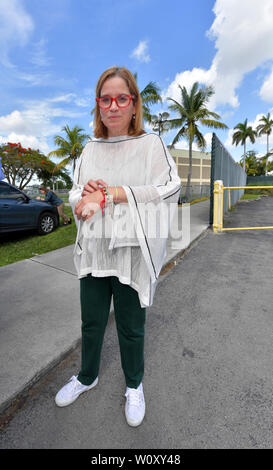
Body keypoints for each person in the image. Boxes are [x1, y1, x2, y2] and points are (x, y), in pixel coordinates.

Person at [55, 66, 181, 427]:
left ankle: (134, 384)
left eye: (121, 98)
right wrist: (84, 202)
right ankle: (86, 376)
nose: (113, 106)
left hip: (130, 252)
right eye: (105, 99)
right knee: (91, 322)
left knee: (131, 326)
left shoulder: (150, 144)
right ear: (98, 105)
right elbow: (78, 192)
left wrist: (117, 194)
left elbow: (170, 187)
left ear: (134, 103)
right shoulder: (89, 149)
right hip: (95, 249)